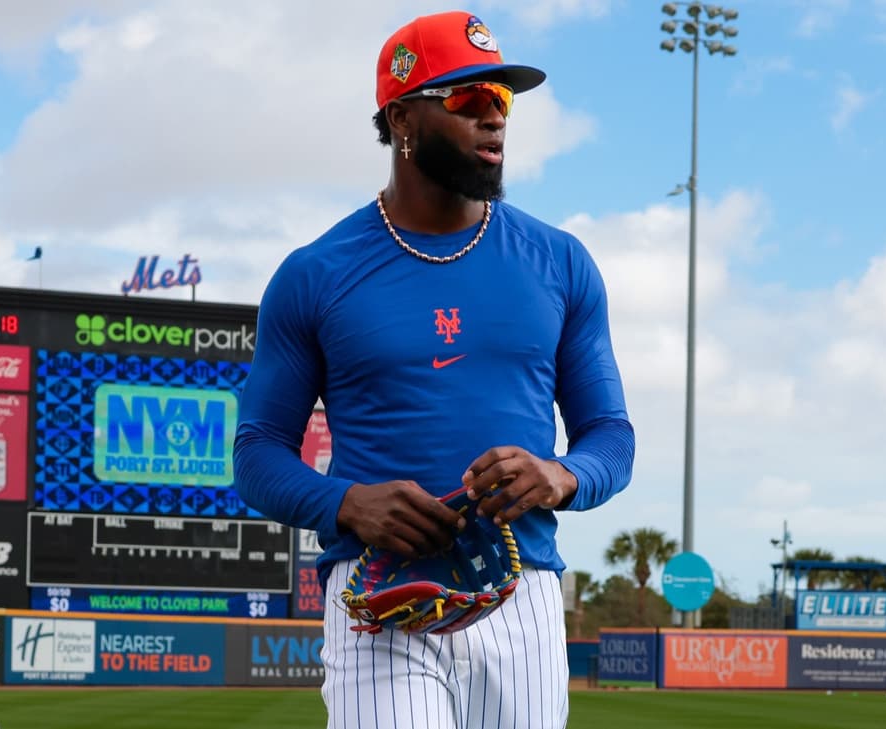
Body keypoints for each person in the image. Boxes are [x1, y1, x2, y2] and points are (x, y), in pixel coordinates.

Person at [233, 10, 634, 729]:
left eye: (502, 102)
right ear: (402, 118)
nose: (494, 121)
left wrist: (562, 475)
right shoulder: (315, 273)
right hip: (381, 598)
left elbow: (611, 434)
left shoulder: (561, 261)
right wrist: (346, 503)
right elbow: (257, 451)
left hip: (524, 591)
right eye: (469, 100)